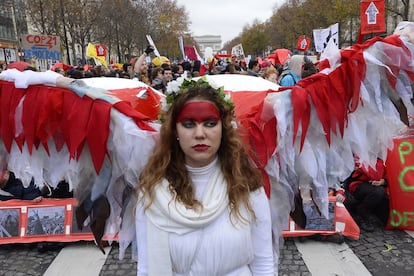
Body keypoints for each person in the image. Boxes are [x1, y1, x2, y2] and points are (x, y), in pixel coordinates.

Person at [135, 77, 274, 275]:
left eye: (209, 123)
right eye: (189, 124)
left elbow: (263, 263)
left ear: (223, 129)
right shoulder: (152, 192)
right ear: (174, 130)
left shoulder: (247, 185)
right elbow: (147, 268)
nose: (200, 134)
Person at [343, 158, 389, 232]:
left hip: (373, 186)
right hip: (357, 186)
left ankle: (365, 210)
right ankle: (362, 213)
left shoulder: (383, 158)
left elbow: (391, 175)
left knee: (380, 192)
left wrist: (383, 181)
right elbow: (374, 175)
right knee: (379, 192)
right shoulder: (361, 155)